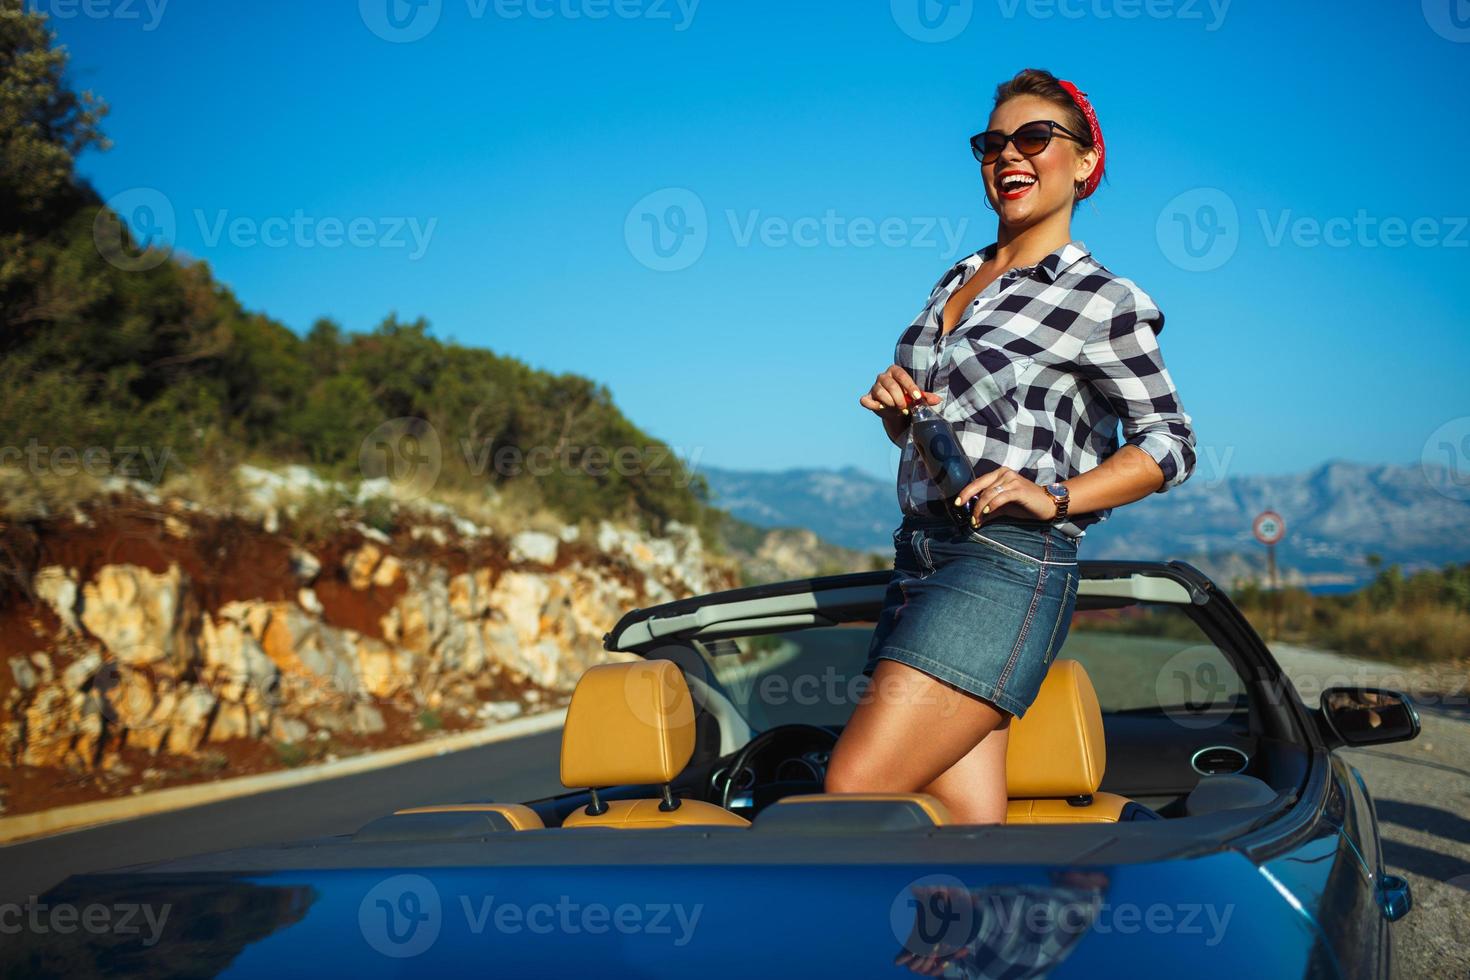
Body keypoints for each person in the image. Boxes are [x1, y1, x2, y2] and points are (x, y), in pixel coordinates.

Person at [824, 68, 1198, 824]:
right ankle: (975, 943)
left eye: (1035, 138)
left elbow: (1170, 443)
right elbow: (964, 419)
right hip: (920, 554)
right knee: (959, 825)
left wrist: (1055, 495)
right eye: (992, 143)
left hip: (1006, 564)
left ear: (1086, 162)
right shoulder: (956, 278)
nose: (1009, 155)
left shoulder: (1102, 299)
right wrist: (902, 413)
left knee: (855, 795)